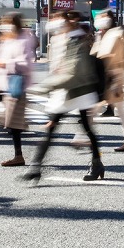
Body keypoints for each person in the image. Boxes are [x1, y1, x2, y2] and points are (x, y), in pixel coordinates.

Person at [22, 11, 104, 183]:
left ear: (68, 23)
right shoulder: (61, 38)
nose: (53, 24)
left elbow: (74, 71)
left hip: (80, 90)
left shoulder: (78, 40)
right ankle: (36, 168)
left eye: (57, 21)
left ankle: (97, 164)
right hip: (65, 90)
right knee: (51, 128)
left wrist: (44, 88)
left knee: (86, 129)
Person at [0, 12, 35, 167]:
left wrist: (5, 64)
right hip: (6, 86)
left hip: (16, 85)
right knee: (10, 123)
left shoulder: (22, 41)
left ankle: (19, 156)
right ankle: (19, 154)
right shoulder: (6, 40)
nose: (4, 25)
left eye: (8, 22)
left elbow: (26, 65)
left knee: (13, 125)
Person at [92, 11, 124, 151]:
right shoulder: (105, 34)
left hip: (112, 78)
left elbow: (107, 56)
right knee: (121, 111)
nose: (98, 20)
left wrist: (116, 80)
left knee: (94, 108)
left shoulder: (115, 35)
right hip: (109, 78)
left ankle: (81, 138)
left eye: (101, 18)